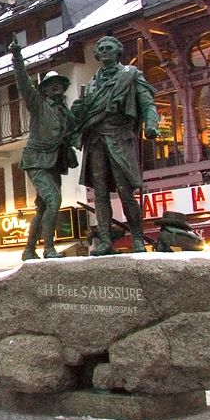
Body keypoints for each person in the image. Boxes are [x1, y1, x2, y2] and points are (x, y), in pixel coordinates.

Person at [70, 35, 159, 255]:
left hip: (119, 137)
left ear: (118, 51)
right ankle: (105, 241)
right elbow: (82, 117)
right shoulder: (91, 85)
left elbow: (148, 103)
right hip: (96, 140)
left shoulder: (130, 75)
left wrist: (152, 125)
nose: (105, 50)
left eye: (110, 47)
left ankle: (137, 239)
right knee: (99, 193)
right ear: (97, 55)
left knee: (125, 191)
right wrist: (78, 109)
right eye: (101, 48)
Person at [10, 40, 77, 260]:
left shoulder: (67, 112)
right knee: (54, 200)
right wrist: (17, 57)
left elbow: (75, 133)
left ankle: (29, 250)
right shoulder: (38, 106)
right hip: (37, 161)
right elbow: (22, 83)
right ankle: (48, 248)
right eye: (51, 84)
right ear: (45, 90)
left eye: (59, 83)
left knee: (42, 207)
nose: (55, 86)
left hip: (54, 163)